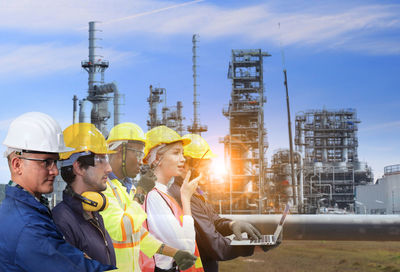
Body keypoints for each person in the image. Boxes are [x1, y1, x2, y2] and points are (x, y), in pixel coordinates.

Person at [0, 112, 114, 271]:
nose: (54, 170)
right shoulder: (28, 226)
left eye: (55, 162)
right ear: (17, 165)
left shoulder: (28, 210)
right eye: (46, 162)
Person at [168, 134, 277, 272]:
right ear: (184, 166)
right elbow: (215, 246)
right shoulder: (182, 197)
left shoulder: (195, 193)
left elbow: (214, 221)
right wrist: (256, 246)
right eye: (203, 166)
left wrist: (232, 225)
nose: (208, 172)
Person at [101, 122, 197, 272]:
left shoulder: (128, 188)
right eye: (139, 154)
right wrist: (141, 192)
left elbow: (138, 233)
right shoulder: (103, 188)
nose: (141, 160)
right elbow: (122, 230)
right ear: (121, 150)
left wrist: (174, 253)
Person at [52, 123, 116, 266]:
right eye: (100, 160)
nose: (109, 168)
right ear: (79, 167)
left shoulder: (93, 212)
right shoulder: (62, 221)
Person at [142, 126, 204, 271]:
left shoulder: (162, 193)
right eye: (176, 153)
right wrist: (186, 198)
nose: (183, 159)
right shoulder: (154, 196)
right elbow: (185, 246)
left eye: (182, 153)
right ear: (157, 158)